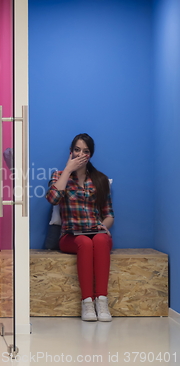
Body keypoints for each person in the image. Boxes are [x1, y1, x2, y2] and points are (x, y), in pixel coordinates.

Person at [46, 133, 114, 322]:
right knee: (84, 241)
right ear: (71, 152)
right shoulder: (59, 176)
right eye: (77, 150)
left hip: (97, 232)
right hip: (71, 236)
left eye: (85, 151)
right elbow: (53, 199)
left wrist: (103, 227)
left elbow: (109, 214)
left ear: (90, 155)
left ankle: (101, 301)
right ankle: (87, 303)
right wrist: (68, 170)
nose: (80, 154)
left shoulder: (100, 179)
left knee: (100, 239)